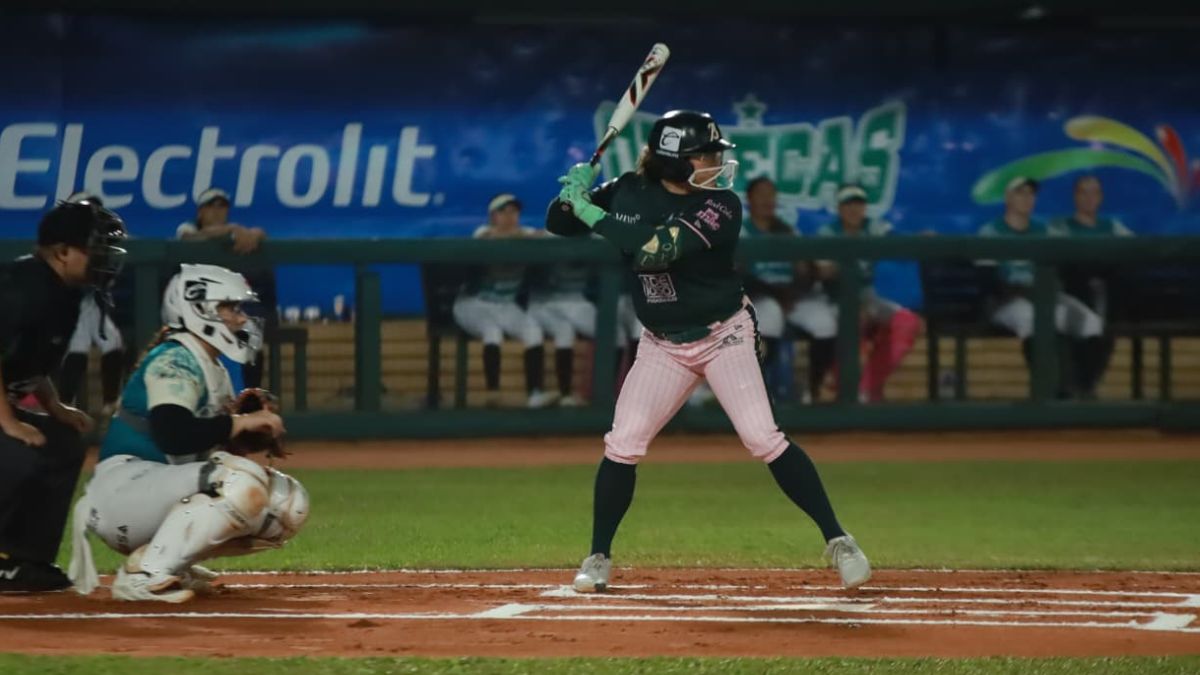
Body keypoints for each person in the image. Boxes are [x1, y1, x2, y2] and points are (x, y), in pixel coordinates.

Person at [547, 110, 871, 592]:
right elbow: (559, 225)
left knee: (763, 437)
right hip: (662, 343)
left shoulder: (721, 205)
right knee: (624, 443)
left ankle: (840, 540)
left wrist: (592, 212)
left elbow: (656, 250)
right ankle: (597, 557)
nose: (716, 161)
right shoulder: (628, 189)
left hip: (724, 335)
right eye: (706, 155)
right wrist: (573, 192)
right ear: (676, 162)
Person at [67, 264, 305, 603]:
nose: (239, 319)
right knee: (240, 483)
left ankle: (174, 561)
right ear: (198, 309)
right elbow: (173, 435)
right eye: (229, 308)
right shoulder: (176, 358)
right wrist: (237, 424)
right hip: (123, 490)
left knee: (287, 504)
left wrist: (245, 436)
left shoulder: (212, 366)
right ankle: (144, 575)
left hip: (153, 487)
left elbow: (196, 447)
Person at [0, 200, 127, 592]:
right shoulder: (22, 285)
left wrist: (54, 407)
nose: (104, 256)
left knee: (62, 443)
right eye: (96, 246)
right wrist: (8, 421)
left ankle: (23, 561)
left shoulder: (64, 292)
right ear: (63, 252)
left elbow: (28, 361)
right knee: (17, 454)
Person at [978, 176, 1106, 398]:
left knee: (1092, 324)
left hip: (1049, 298)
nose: (1027, 198)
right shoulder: (991, 231)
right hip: (1008, 302)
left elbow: (1066, 270)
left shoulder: (1045, 231)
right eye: (1020, 192)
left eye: (1030, 193)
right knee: (1033, 321)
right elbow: (987, 280)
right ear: (1008, 198)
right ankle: (1049, 393)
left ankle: (1083, 388)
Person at [815, 185, 922, 403]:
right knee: (855, 323)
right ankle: (835, 383)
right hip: (832, 299)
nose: (854, 210)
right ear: (839, 209)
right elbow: (824, 272)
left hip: (867, 297)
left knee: (908, 322)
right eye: (848, 205)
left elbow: (900, 240)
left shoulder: (874, 227)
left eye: (858, 204)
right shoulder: (828, 233)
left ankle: (865, 386)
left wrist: (921, 237)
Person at [453, 194, 557, 408]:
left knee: (533, 330)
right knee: (492, 331)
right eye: (503, 212)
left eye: (513, 211)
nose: (509, 216)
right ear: (493, 216)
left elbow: (548, 236)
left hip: (504, 304)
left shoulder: (525, 233)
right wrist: (523, 237)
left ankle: (535, 394)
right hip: (473, 304)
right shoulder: (482, 232)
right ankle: (493, 393)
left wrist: (528, 236)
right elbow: (488, 239)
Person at [739, 176, 838, 403]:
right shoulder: (741, 232)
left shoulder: (788, 231)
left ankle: (814, 389)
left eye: (771, 194)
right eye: (761, 194)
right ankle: (756, 393)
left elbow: (806, 270)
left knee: (825, 322)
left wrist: (810, 274)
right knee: (771, 314)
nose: (767, 200)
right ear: (749, 199)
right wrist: (777, 295)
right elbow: (740, 276)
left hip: (791, 298)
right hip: (757, 299)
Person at [176, 188, 276, 389]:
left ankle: (249, 397)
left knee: (249, 334)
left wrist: (255, 233)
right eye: (211, 206)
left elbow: (259, 234)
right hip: (192, 310)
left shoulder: (237, 238)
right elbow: (188, 238)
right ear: (200, 212)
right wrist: (232, 230)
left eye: (222, 206)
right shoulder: (188, 229)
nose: (217, 211)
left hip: (227, 311)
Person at [1049, 175, 1132, 396]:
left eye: (1094, 192)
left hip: (1106, 297)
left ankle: (1086, 385)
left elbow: (1134, 250)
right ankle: (1075, 385)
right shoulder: (1060, 226)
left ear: (1101, 197)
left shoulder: (1113, 226)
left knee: (1108, 321)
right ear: (1075, 197)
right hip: (1070, 296)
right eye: (1083, 192)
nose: (1089, 198)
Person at [54, 192, 126, 421]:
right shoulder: (59, 241)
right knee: (79, 343)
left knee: (109, 340)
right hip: (65, 303)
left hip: (92, 302)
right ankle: (64, 405)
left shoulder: (106, 240)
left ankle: (110, 406)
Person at [527, 255, 597, 407]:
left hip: (574, 302)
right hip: (543, 303)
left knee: (614, 334)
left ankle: (573, 393)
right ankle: (561, 393)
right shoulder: (546, 240)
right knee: (561, 330)